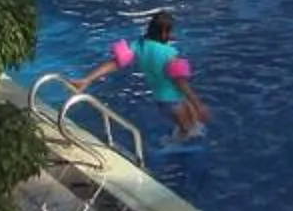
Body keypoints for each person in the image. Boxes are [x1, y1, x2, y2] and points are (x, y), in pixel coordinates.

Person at [79, 11, 209, 140]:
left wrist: (88, 79)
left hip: (162, 100)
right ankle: (172, 149)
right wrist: (198, 104)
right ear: (164, 33)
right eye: (171, 31)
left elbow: (114, 63)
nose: (173, 34)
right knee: (187, 130)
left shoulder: (139, 45)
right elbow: (181, 83)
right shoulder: (170, 54)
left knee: (191, 123)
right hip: (174, 100)